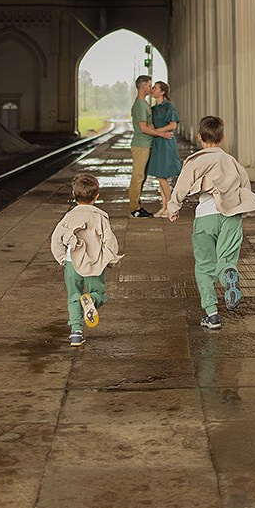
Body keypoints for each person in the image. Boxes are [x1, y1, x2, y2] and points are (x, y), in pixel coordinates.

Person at [168, 114, 255, 330]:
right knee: (227, 258)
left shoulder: (197, 161)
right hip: (231, 216)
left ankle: (212, 314)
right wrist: (243, 212)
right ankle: (228, 273)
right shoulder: (232, 162)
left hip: (205, 218)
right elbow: (245, 189)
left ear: (199, 138)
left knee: (204, 266)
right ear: (222, 139)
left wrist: (173, 208)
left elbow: (182, 185)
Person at [50, 172, 122, 347]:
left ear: (74, 196)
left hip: (71, 262)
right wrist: (110, 260)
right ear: (96, 197)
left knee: (73, 296)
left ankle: (76, 333)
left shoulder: (69, 217)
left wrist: (62, 258)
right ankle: (91, 300)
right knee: (99, 294)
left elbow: (56, 239)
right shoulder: (100, 217)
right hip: (94, 264)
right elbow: (109, 240)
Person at [127, 74, 173, 218]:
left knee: (142, 176)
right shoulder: (140, 105)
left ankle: (137, 206)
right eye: (149, 85)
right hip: (141, 145)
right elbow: (143, 128)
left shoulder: (144, 104)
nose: (150, 88)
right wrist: (162, 134)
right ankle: (134, 208)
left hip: (145, 144)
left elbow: (148, 125)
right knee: (138, 176)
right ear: (143, 86)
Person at [148, 80, 182, 216]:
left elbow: (173, 125)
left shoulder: (169, 107)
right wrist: (157, 133)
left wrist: (159, 132)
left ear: (162, 92)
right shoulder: (153, 109)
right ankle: (163, 207)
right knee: (159, 175)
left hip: (166, 143)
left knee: (162, 176)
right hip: (157, 142)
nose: (152, 89)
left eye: (155, 88)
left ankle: (169, 206)